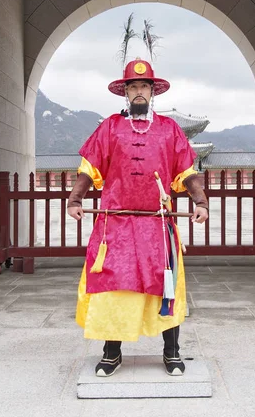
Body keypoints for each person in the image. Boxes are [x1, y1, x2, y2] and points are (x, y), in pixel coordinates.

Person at [67, 58, 208, 377]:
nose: (139, 91)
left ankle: (172, 353)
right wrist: (76, 198)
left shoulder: (170, 129)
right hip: (115, 225)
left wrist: (200, 201)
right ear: (126, 93)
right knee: (113, 286)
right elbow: (89, 167)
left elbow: (187, 170)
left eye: (144, 86)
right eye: (133, 87)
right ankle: (111, 352)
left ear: (153, 91)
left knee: (164, 285)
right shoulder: (109, 127)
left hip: (156, 224)